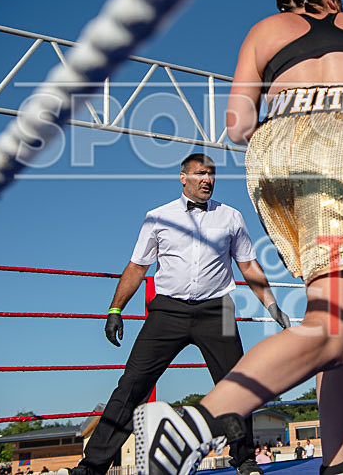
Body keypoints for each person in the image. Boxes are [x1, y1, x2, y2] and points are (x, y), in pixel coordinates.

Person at [133, 0, 343, 475]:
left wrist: (291, 108)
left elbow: (238, 125)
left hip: (277, 163)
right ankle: (194, 424)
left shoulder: (262, 32)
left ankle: (338, 463)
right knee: (330, 332)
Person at [69, 153, 289, 475]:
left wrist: (272, 305)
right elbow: (137, 266)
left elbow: (248, 265)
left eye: (212, 175)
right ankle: (91, 468)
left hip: (218, 309)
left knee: (237, 384)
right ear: (182, 177)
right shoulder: (157, 217)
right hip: (167, 310)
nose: (207, 180)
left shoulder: (231, 217)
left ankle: (245, 460)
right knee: (131, 386)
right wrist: (116, 309)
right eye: (200, 174)